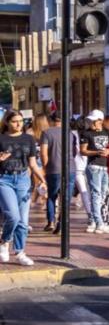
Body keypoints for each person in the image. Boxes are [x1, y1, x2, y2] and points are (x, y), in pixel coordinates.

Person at [0, 111, 46, 266]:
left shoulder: (28, 139)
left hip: (23, 180)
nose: (19, 124)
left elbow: (33, 164)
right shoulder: (1, 138)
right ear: (7, 122)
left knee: (23, 221)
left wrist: (42, 181)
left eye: (20, 121)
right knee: (12, 215)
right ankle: (5, 241)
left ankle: (20, 252)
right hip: (4, 179)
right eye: (14, 121)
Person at [80, 110, 109, 234]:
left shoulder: (107, 132)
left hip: (104, 166)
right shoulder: (86, 133)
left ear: (100, 120)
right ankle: (98, 222)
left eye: (94, 121)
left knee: (103, 194)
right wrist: (98, 152)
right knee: (96, 194)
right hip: (93, 166)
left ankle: (98, 220)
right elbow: (83, 151)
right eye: (90, 121)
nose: (91, 123)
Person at [40, 114, 75, 233]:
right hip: (70, 168)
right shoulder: (69, 133)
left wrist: (44, 167)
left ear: (51, 121)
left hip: (53, 168)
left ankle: (51, 221)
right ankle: (62, 220)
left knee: (52, 196)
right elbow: (74, 151)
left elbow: (43, 153)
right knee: (66, 198)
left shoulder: (46, 133)